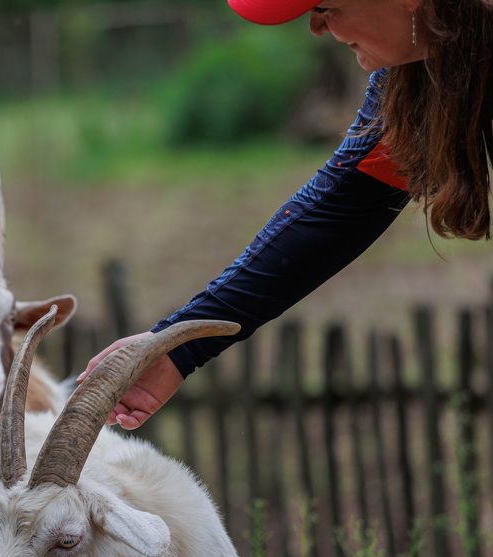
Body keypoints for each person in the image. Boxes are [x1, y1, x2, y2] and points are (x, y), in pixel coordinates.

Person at [79, 0, 493, 430]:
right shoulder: (412, 77)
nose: (316, 28)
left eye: (326, 6)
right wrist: (177, 347)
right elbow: (340, 205)